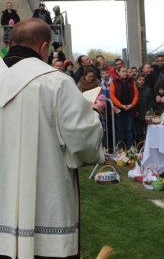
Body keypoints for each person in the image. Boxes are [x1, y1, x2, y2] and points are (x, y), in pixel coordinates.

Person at [0, 18, 102, 259]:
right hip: (46, 194)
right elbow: (82, 137)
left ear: (11, 43)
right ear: (44, 48)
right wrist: (94, 115)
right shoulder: (55, 82)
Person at [110, 65, 138, 149]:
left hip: (130, 109)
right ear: (118, 72)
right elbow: (112, 96)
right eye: (123, 71)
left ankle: (130, 149)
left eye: (126, 71)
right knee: (119, 130)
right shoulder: (114, 82)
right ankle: (119, 149)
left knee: (129, 130)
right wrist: (121, 105)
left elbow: (136, 94)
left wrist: (131, 105)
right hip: (119, 110)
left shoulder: (132, 82)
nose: (125, 73)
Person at [134, 72, 155, 143]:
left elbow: (151, 100)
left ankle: (146, 144)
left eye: (142, 80)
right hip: (138, 113)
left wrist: (149, 109)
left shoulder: (148, 90)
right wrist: (135, 110)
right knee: (138, 130)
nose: (141, 82)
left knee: (147, 130)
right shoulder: (135, 89)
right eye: (139, 80)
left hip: (146, 112)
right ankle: (139, 144)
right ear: (137, 80)